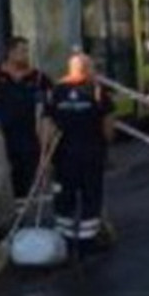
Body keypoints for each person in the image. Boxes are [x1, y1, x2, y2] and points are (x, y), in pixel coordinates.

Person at [46, 54, 115, 256]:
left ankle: (65, 240)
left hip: (63, 157)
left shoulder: (57, 91)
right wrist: (106, 146)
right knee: (90, 197)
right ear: (87, 69)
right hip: (91, 155)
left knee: (64, 197)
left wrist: (46, 153)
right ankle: (86, 242)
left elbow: (46, 124)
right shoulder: (97, 91)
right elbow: (108, 126)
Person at [0, 36, 54, 201]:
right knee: (5, 178)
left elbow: (49, 107)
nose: (26, 55)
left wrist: (46, 140)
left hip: (29, 136)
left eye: (27, 51)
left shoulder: (39, 78)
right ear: (10, 53)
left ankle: (24, 213)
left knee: (28, 176)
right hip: (2, 136)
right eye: (22, 51)